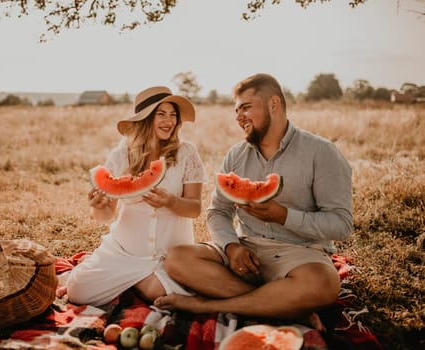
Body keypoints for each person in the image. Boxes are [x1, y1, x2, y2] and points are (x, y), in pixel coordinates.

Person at [154, 73, 352, 324]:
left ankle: (206, 305)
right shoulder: (236, 155)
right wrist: (232, 246)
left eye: (246, 108)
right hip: (246, 250)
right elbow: (218, 211)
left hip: (299, 253)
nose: (239, 117)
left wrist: (284, 216)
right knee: (177, 258)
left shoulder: (321, 152)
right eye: (236, 111)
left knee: (323, 283)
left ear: (273, 104)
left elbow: (341, 225)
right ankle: (287, 306)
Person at [64, 86, 207, 306]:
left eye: (173, 115)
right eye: (161, 114)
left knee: (165, 295)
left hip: (169, 257)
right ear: (145, 119)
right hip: (124, 253)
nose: (169, 121)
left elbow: (195, 209)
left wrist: (171, 202)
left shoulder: (186, 153)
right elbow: (105, 216)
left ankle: (134, 282)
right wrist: (99, 206)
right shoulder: (121, 155)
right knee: (77, 292)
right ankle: (132, 278)